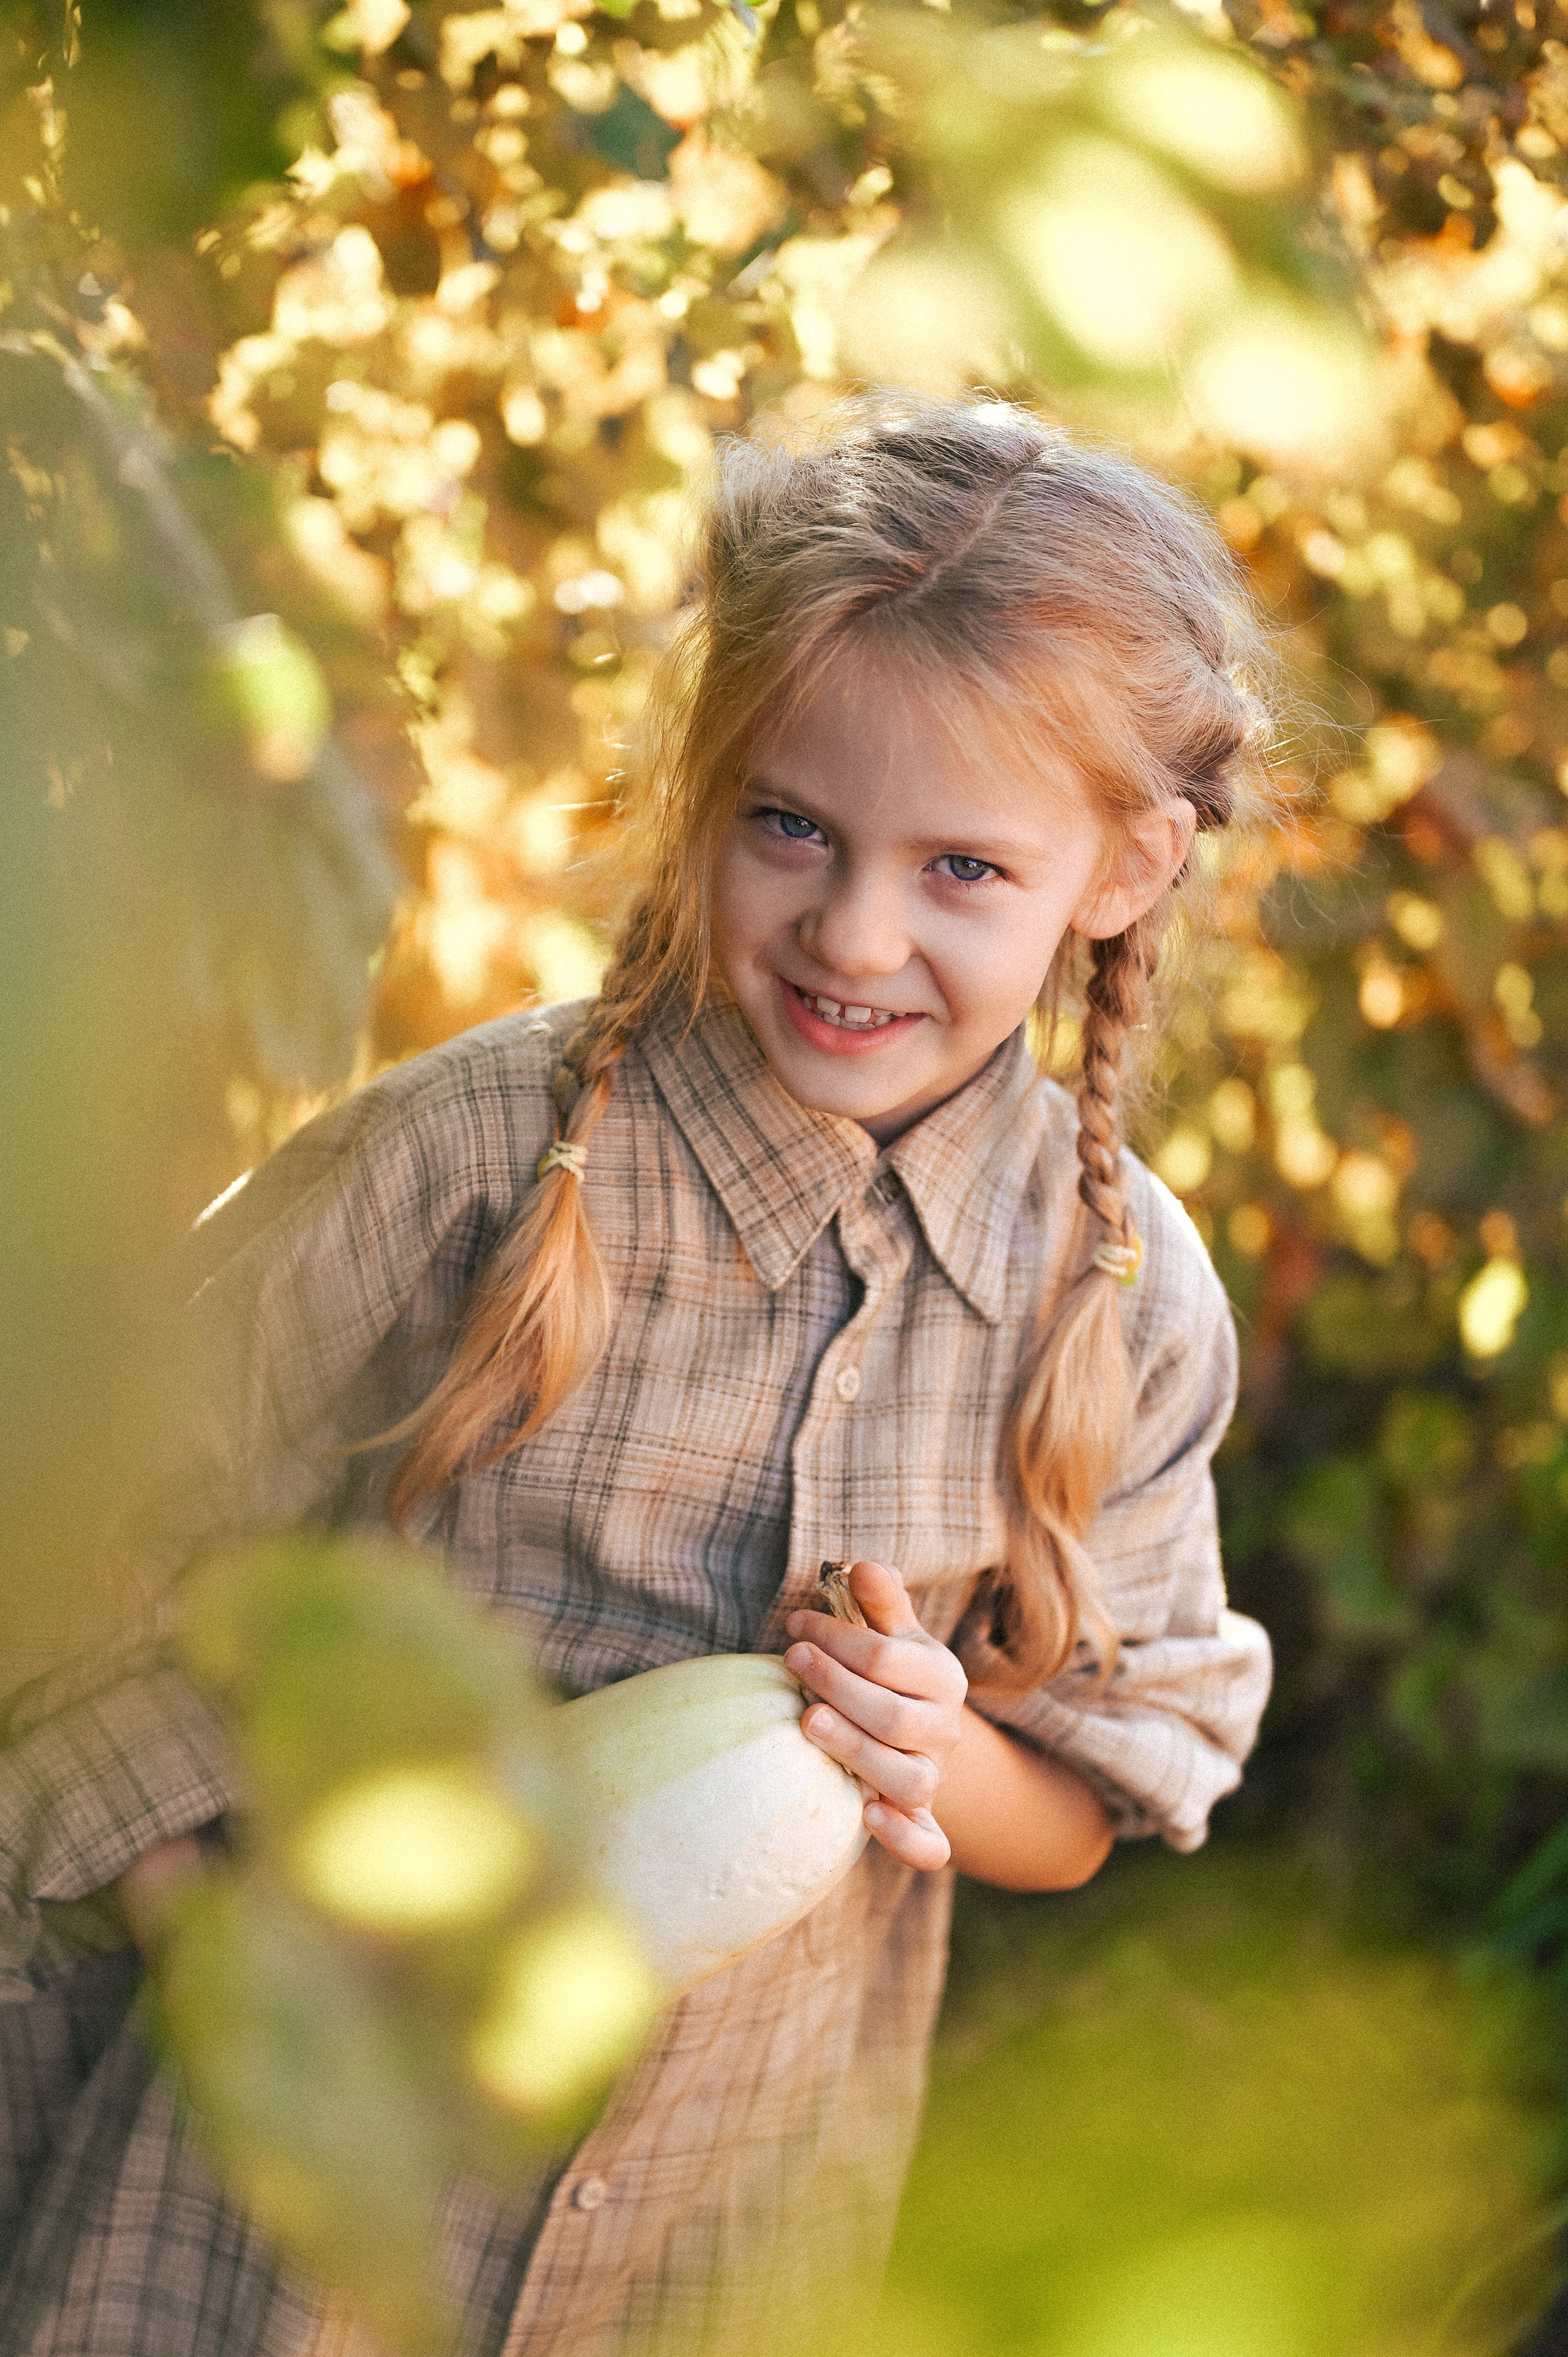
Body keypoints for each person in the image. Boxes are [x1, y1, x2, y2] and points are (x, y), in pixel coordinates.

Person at [0, 394, 1273, 2357]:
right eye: (793, 826)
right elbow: (74, 1524)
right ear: (705, 782)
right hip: (287, 2199)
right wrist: (204, 1915)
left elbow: (1097, 1788)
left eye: (962, 872)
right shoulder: (474, 1161)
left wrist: (935, 1754)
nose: (854, 929)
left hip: (714, 2242)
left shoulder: (1118, 1298)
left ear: (1123, 869)